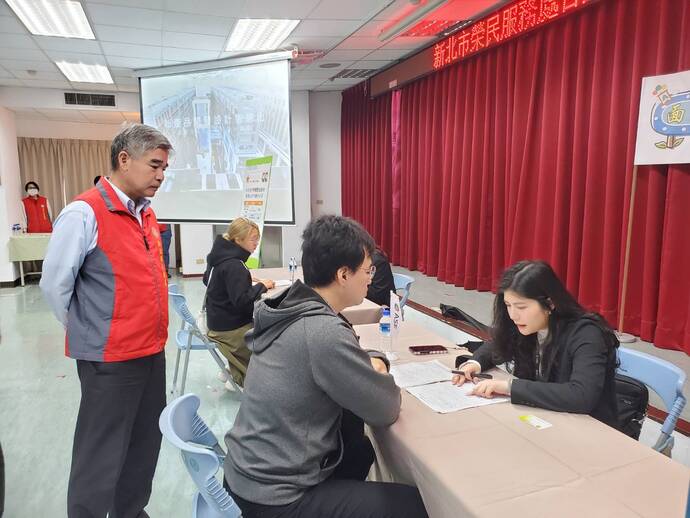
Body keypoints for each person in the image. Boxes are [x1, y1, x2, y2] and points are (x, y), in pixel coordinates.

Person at [223, 215, 429, 518]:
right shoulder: (321, 331)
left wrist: (372, 360)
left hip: (247, 475)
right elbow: (385, 408)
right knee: (414, 505)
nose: (371, 279)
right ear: (343, 274)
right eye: (368, 270)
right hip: (275, 497)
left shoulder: (291, 306)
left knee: (360, 454)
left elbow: (345, 352)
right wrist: (379, 369)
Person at [40, 123, 172, 517]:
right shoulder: (84, 212)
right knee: (101, 453)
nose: (160, 176)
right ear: (124, 159)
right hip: (110, 358)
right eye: (154, 165)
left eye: (164, 168)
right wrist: (89, 329)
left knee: (144, 444)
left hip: (151, 351)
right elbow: (55, 285)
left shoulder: (145, 212)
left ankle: (129, 511)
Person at [453, 260, 619, 428]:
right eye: (508, 305)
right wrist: (474, 363)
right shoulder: (529, 323)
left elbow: (581, 395)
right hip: (549, 419)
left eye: (521, 307)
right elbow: (498, 344)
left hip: (591, 428)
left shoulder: (587, 333)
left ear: (550, 304)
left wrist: (509, 387)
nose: (513, 315)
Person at [203, 217, 274, 388]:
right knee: (271, 338)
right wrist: (262, 286)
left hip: (216, 322)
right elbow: (242, 302)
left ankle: (232, 369)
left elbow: (208, 281)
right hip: (230, 329)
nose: (256, 243)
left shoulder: (218, 256)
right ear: (238, 240)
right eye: (253, 239)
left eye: (257, 239)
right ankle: (237, 376)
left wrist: (242, 280)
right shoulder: (234, 265)